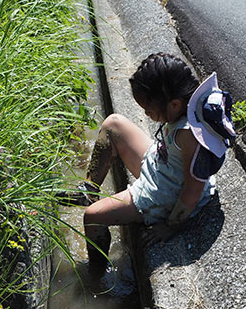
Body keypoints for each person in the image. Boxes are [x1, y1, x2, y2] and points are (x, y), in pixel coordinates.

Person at [63, 52, 234, 273]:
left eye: (149, 110)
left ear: (173, 105)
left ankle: (96, 272)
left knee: (93, 217)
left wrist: (170, 226)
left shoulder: (189, 135)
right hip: (161, 164)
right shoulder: (185, 106)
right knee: (113, 124)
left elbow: (193, 190)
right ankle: (89, 190)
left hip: (164, 193)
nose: (145, 113)